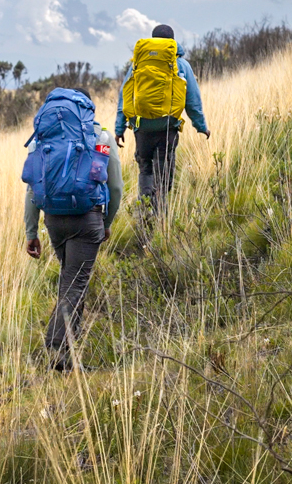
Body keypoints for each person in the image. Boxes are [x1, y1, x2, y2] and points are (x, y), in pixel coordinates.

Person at [22, 87, 123, 371]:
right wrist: (106, 223)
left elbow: (32, 188)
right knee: (75, 285)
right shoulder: (101, 136)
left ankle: (67, 356)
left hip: (53, 219)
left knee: (71, 281)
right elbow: (116, 186)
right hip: (87, 219)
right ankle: (56, 348)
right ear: (87, 108)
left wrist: (31, 232)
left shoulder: (42, 139)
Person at [115, 24, 210, 213]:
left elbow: (125, 96)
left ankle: (144, 214)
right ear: (173, 42)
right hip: (167, 126)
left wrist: (119, 129)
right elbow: (192, 100)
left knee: (145, 169)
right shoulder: (180, 64)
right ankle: (160, 217)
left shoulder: (137, 63)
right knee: (163, 174)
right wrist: (201, 126)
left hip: (141, 127)